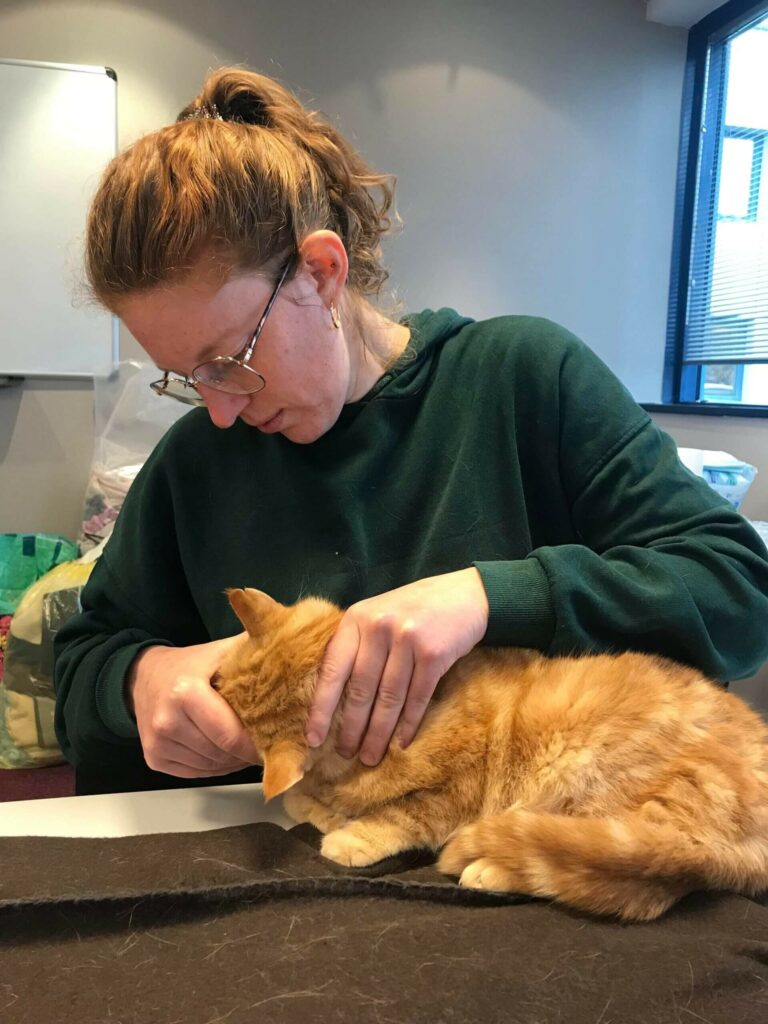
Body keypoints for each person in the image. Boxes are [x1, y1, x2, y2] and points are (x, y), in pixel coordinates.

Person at [54, 67, 768, 797]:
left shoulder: (523, 379)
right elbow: (82, 665)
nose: (221, 410)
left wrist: (491, 598)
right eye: (185, 378)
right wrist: (140, 679)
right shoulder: (195, 464)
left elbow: (737, 592)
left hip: (526, 851)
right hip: (296, 868)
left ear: (322, 272)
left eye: (229, 361)